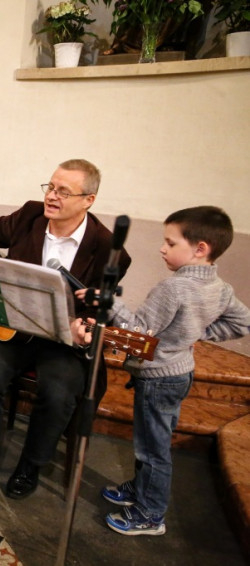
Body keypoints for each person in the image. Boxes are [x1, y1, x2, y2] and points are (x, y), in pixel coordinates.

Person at [0, 158, 131, 514]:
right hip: (16, 330)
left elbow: (97, 309)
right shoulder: (29, 217)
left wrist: (82, 329)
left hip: (62, 342)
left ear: (88, 200)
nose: (52, 196)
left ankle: (31, 464)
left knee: (59, 391)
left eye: (64, 191)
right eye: (50, 187)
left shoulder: (107, 249)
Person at [73, 206, 250, 536]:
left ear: (200, 248)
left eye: (170, 242)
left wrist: (111, 303)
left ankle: (151, 514)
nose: (162, 249)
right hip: (179, 373)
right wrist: (194, 334)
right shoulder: (220, 287)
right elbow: (243, 322)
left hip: (158, 379)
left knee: (152, 449)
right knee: (153, 441)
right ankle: (141, 490)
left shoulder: (173, 288)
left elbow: (137, 334)